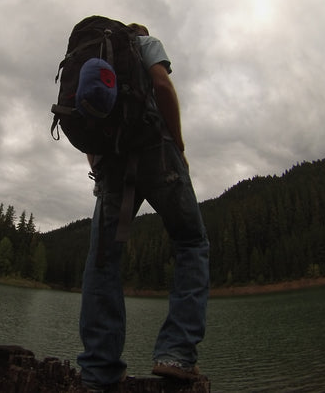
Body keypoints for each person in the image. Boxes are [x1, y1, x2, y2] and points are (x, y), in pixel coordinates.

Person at [77, 23, 210, 391]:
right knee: (191, 244)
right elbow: (163, 86)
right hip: (158, 150)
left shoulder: (93, 60)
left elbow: (87, 128)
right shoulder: (145, 44)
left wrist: (101, 170)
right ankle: (176, 355)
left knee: (103, 261)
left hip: (110, 163)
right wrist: (178, 146)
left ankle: (99, 369)